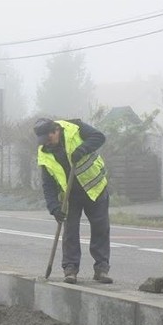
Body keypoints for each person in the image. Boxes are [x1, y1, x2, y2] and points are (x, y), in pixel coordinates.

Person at [34, 117, 112, 285]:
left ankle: (101, 269)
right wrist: (54, 207)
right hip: (70, 195)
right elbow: (48, 184)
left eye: (49, 139)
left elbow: (99, 137)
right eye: (43, 141)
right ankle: (70, 270)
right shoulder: (44, 152)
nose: (47, 143)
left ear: (55, 130)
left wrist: (82, 149)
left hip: (94, 188)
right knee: (70, 232)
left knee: (100, 228)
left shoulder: (75, 127)